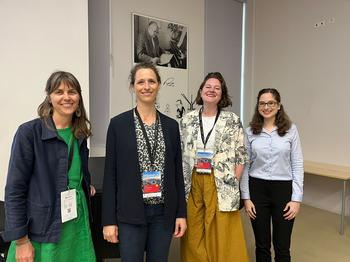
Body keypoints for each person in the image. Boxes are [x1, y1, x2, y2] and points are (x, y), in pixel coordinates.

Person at [2, 71, 96, 261]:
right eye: (59, 92)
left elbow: (76, 170)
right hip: (42, 229)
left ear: (79, 97)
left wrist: (85, 184)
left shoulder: (80, 133)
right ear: (49, 97)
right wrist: (21, 241)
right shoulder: (29, 133)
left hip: (76, 225)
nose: (66, 97)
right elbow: (14, 190)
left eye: (72, 92)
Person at [101, 62, 187, 262]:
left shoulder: (171, 126)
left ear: (158, 85)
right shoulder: (118, 125)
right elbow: (110, 175)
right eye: (141, 82)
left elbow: (177, 174)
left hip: (163, 213)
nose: (146, 86)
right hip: (130, 213)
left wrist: (180, 214)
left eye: (151, 81)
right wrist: (108, 221)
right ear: (133, 86)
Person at [180, 72, 249, 262]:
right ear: (201, 91)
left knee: (221, 229)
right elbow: (180, 151)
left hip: (220, 179)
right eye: (208, 87)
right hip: (193, 179)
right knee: (193, 228)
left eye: (217, 88)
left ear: (222, 94)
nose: (212, 90)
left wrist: (234, 179)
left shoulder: (232, 120)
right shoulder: (187, 119)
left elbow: (241, 154)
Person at [240, 88, 304, 262]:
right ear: (258, 106)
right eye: (262, 103)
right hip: (257, 189)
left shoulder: (291, 130)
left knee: (282, 246)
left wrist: (296, 199)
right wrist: (246, 198)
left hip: (283, 190)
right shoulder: (250, 132)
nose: (266, 107)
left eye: (270, 103)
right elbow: (245, 166)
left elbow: (297, 164)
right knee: (262, 245)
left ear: (278, 106)